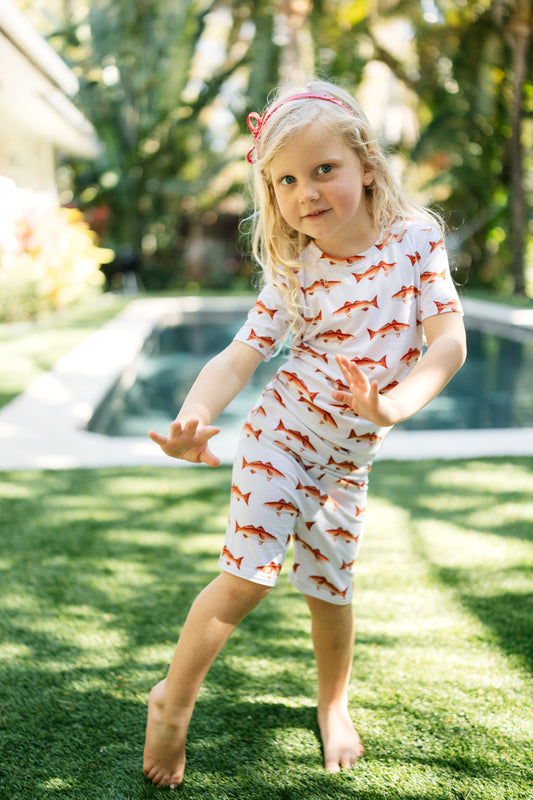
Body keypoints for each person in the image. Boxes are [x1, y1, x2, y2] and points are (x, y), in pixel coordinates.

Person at [142, 78, 467, 788]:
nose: (306, 192)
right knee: (247, 579)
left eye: (323, 170)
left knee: (330, 590)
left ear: (366, 166)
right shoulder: (295, 269)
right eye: (286, 179)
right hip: (278, 439)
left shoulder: (416, 240)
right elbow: (238, 357)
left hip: (347, 462)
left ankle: (333, 704)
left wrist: (392, 406)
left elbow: (447, 343)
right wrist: (195, 419)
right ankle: (172, 702)